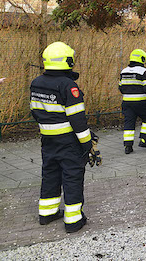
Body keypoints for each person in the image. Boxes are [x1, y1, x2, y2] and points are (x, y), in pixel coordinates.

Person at [30, 41, 93, 233]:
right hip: (68, 141)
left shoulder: (36, 83)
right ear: (68, 61)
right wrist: (87, 143)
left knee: (50, 174)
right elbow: (78, 120)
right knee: (72, 176)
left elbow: (34, 111)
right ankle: (73, 220)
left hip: (47, 139)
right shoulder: (68, 86)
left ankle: (47, 213)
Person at [119, 49, 146, 154]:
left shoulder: (123, 71)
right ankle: (144, 140)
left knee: (129, 123)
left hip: (127, 102)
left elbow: (120, 87)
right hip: (141, 102)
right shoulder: (144, 72)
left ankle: (128, 146)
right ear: (141, 58)